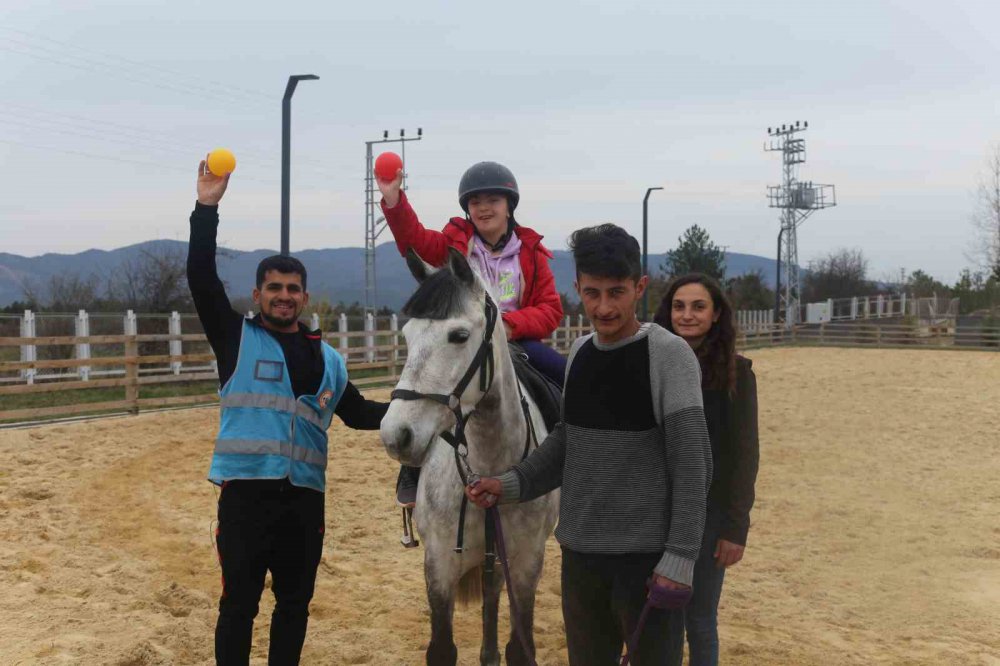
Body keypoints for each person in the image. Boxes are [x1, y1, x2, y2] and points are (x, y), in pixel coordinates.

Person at [466, 224, 713, 665]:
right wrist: (509, 483)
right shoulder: (579, 353)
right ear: (577, 286)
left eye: (616, 292)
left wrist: (679, 558)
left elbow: (693, 465)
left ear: (639, 287)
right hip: (581, 556)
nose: (603, 306)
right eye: (592, 292)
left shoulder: (669, 356)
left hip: (647, 562)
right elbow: (567, 441)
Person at [188, 157, 388, 666]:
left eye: (292, 288)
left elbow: (360, 412)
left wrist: (417, 411)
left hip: (304, 501)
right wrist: (206, 207)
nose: (283, 296)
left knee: (295, 607)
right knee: (239, 605)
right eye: (273, 288)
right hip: (245, 496)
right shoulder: (235, 338)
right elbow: (201, 278)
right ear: (257, 295)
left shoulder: (330, 359)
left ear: (303, 295)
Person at [377, 161, 565, 508]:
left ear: (509, 206)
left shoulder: (531, 253)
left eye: (493, 199)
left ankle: (567, 461)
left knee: (567, 380)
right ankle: (412, 467)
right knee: (430, 388)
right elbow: (413, 241)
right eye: (475, 201)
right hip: (463, 341)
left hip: (514, 342)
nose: (483, 207)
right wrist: (393, 201)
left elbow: (550, 308)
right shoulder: (455, 242)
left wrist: (510, 325)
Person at [653, 274, 760, 666]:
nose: (687, 315)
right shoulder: (650, 363)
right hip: (651, 510)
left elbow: (744, 456)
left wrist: (735, 528)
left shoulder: (737, 374)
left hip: (709, 515)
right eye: (679, 306)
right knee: (655, 615)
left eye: (698, 307)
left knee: (698, 618)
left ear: (716, 315)